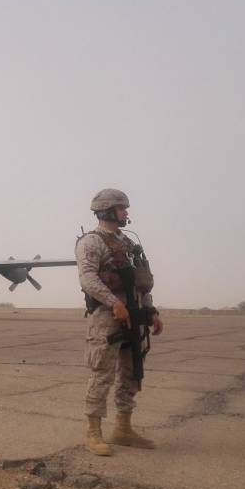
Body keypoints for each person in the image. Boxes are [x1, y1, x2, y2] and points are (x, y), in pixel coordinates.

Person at [75, 188, 163, 457]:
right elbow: (88, 279)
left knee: (131, 372)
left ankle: (123, 429)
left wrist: (151, 311)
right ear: (107, 210)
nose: (126, 212)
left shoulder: (127, 243)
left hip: (133, 316)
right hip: (107, 318)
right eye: (122, 208)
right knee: (102, 373)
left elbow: (141, 282)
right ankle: (93, 433)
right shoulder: (91, 242)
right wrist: (115, 303)